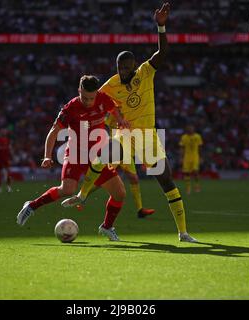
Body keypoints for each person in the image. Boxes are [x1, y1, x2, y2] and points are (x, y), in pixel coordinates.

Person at [61, 3, 197, 243]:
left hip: (148, 138)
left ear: (133, 65)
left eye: (125, 67)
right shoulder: (110, 86)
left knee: (166, 180)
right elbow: (89, 101)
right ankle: (82, 195)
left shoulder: (145, 72)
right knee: (104, 153)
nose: (122, 71)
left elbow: (162, 53)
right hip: (124, 135)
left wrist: (161, 27)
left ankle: (183, 232)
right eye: (119, 68)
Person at [16, 75, 129, 241]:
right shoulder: (70, 108)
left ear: (97, 93)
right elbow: (53, 131)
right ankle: (31, 206)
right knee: (67, 190)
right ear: (79, 91)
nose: (89, 102)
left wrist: (120, 120)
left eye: (92, 98)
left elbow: (113, 109)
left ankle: (107, 227)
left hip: (97, 156)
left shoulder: (103, 98)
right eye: (84, 97)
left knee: (119, 193)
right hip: (76, 154)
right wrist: (47, 156)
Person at [179, 125, 203, 194]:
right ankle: (188, 187)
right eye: (188, 129)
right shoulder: (184, 137)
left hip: (195, 156)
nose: (190, 130)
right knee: (186, 173)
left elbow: (200, 147)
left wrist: (201, 157)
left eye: (191, 129)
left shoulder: (197, 136)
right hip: (186, 157)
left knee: (195, 171)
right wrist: (181, 157)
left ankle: (197, 185)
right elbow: (182, 148)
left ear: (193, 129)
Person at [0, 128, 12, 193]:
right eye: (2, 132)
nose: (4, 133)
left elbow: (9, 149)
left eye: (4, 132)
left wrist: (10, 157)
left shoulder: (8, 140)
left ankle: (8, 187)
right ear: (0, 133)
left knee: (8, 173)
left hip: (6, 159)